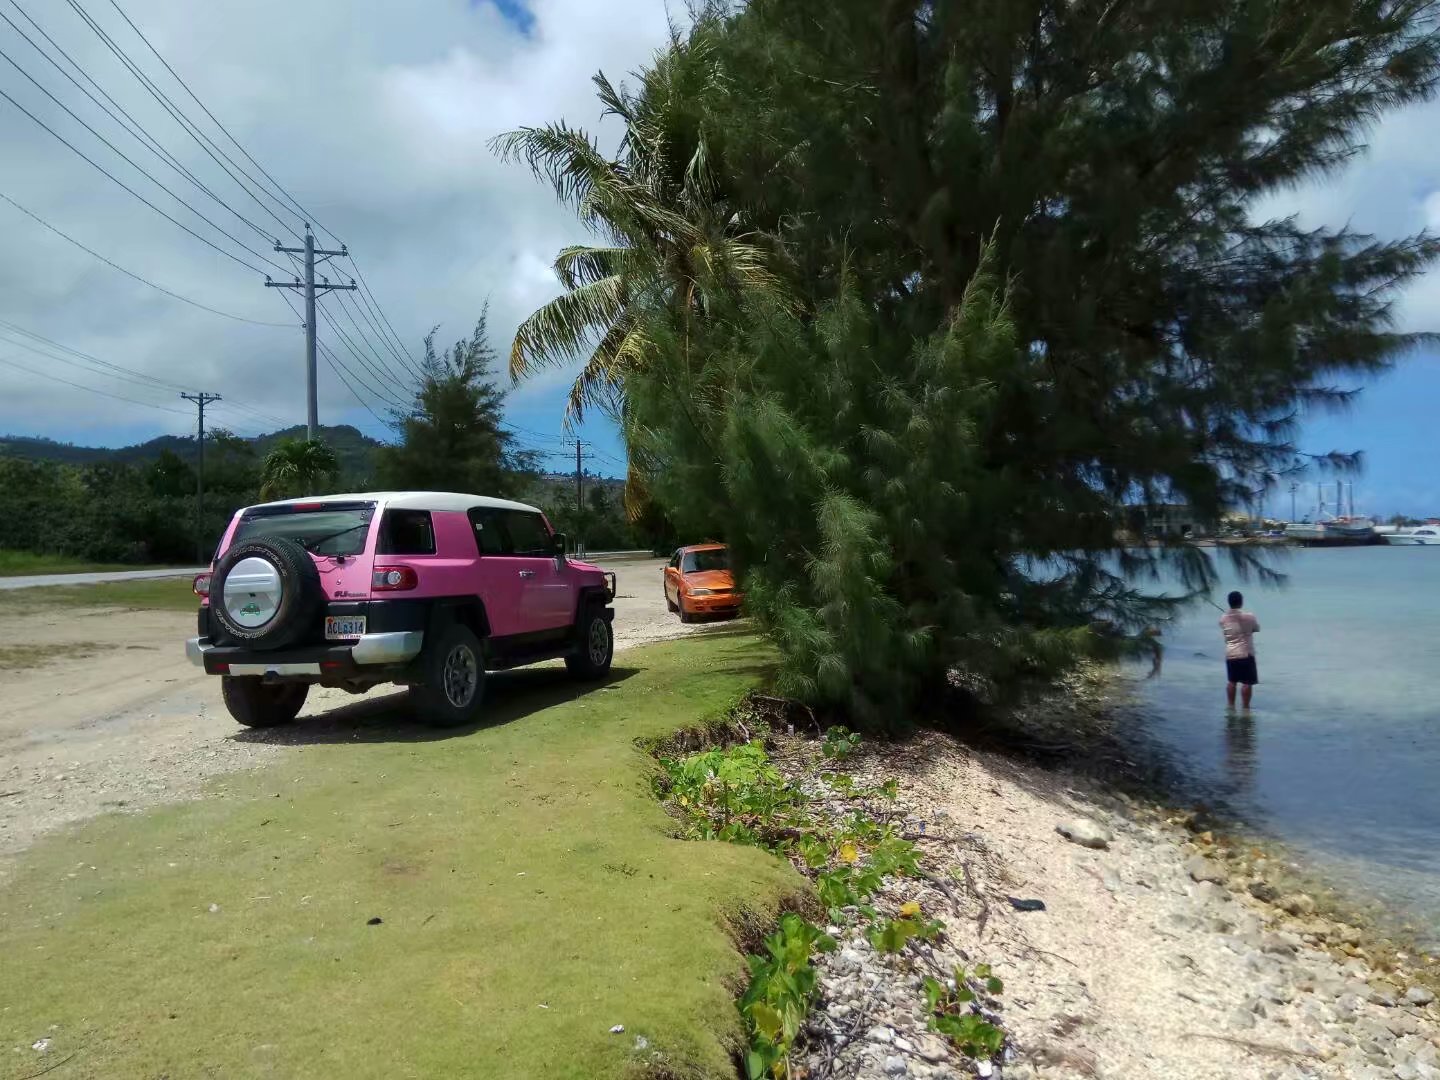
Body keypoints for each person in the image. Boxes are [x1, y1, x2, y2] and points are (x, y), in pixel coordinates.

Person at [1219, 590, 1260, 709]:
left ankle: (1231, 706)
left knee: (1232, 682)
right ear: (1241, 602)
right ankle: (1245, 708)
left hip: (1230, 654)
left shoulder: (1223, 619)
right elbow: (1256, 628)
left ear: (1229, 603)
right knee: (1247, 683)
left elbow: (1225, 626)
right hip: (1246, 654)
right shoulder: (1249, 617)